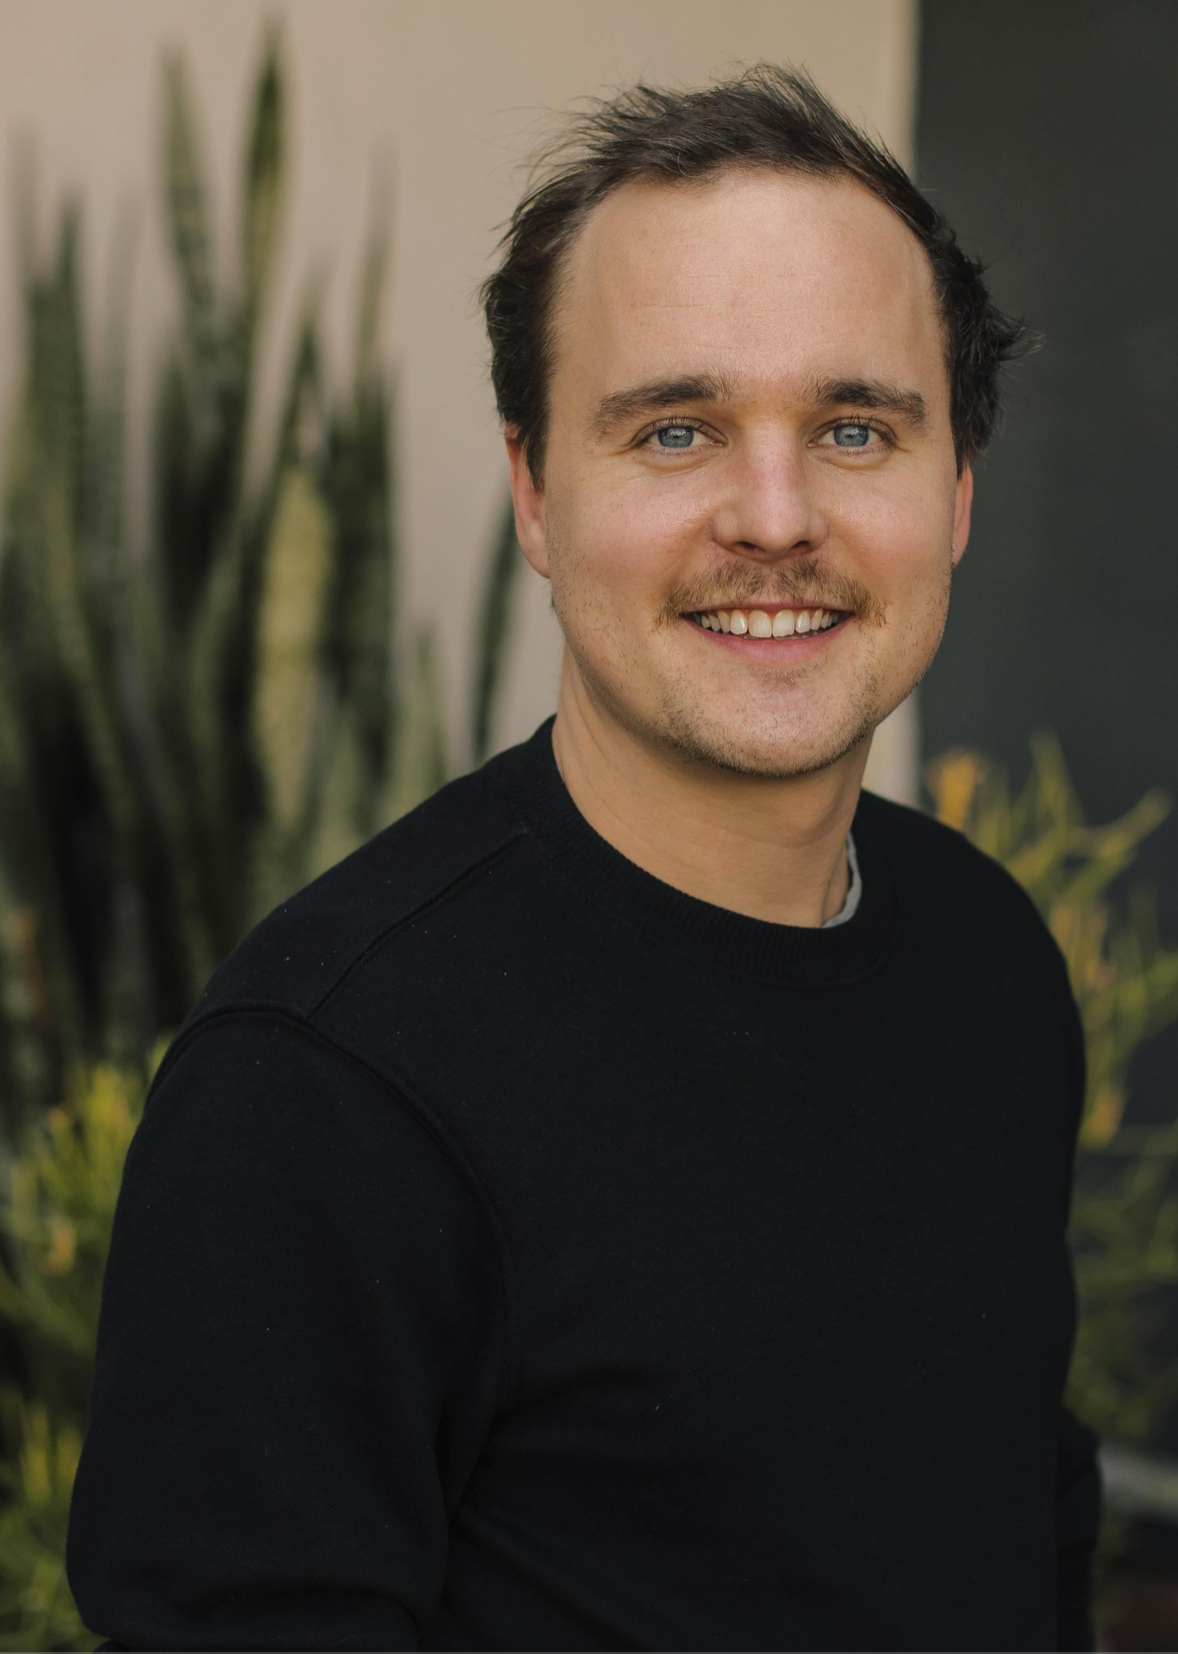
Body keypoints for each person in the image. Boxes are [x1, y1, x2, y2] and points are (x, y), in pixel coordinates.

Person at [67, 66, 1100, 1652]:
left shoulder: (985, 952)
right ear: (536, 494)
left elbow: (1020, 1526)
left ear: (953, 492)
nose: (774, 516)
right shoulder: (323, 1087)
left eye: (853, 428)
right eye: (675, 429)